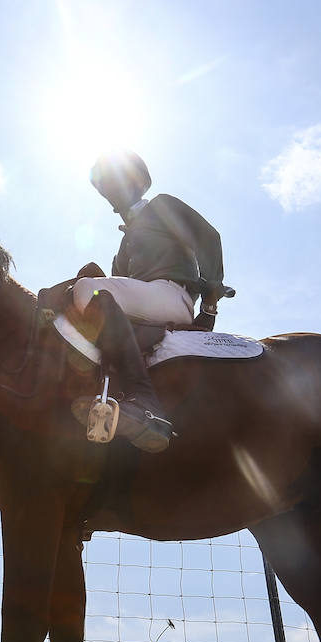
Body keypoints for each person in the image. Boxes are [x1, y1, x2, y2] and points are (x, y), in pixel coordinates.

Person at [70, 150, 226, 453]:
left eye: (113, 183)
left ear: (138, 182)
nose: (108, 193)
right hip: (145, 309)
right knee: (93, 291)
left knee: (87, 288)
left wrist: (210, 300)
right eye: (103, 188)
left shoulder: (162, 205)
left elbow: (208, 237)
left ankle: (143, 400)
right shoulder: (122, 248)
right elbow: (115, 302)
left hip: (171, 296)